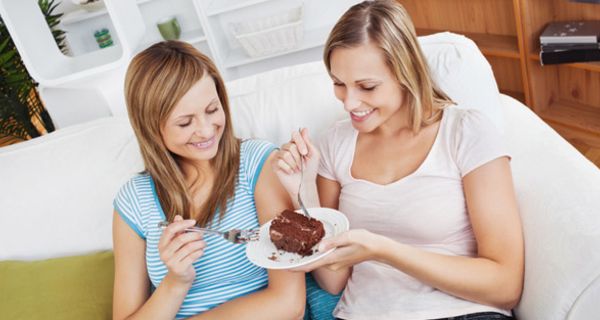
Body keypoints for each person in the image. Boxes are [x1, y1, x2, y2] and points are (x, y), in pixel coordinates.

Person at [273, 1, 524, 319]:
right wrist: (303, 190)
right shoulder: (335, 144)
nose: (349, 102)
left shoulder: (464, 131)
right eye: (338, 83)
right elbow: (333, 281)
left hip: (461, 312)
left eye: (367, 86)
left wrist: (384, 250)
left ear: (406, 72)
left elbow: (506, 285)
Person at [112, 41, 305, 320]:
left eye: (212, 110)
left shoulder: (257, 163)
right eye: (185, 122)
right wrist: (175, 282)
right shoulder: (133, 201)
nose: (205, 130)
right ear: (151, 128)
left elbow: (289, 303)